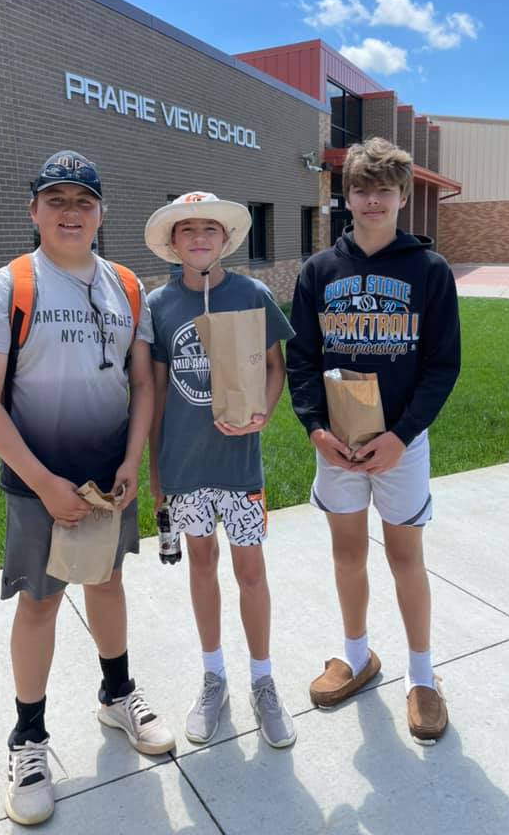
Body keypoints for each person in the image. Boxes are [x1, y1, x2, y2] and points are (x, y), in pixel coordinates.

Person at [0, 150, 174, 827]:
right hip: (38, 479)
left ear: (101, 213)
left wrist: (134, 459)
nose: (71, 212)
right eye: (56, 200)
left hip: (108, 474)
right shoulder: (11, 285)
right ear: (34, 212)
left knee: (107, 584)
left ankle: (118, 695)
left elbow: (143, 383)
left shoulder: (127, 287)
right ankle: (27, 739)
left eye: (83, 201)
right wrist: (46, 484)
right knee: (40, 602)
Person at [286, 137, 460, 745]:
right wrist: (314, 428)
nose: (372, 200)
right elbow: (301, 359)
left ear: (403, 196)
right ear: (346, 195)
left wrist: (402, 435)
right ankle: (357, 655)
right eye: (362, 188)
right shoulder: (318, 271)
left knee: (405, 556)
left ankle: (422, 676)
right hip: (339, 442)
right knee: (347, 554)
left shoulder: (429, 271)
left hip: (399, 445)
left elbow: (443, 365)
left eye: (385, 189)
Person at [145, 191, 297, 749]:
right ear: (174, 243)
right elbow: (156, 389)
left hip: (238, 465)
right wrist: (157, 475)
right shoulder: (159, 305)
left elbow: (278, 366)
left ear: (226, 238)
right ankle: (215, 677)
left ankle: (263, 679)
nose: (200, 238)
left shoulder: (250, 293)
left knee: (250, 572)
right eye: (188, 231)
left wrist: (263, 415)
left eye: (210, 228)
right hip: (184, 465)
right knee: (201, 564)